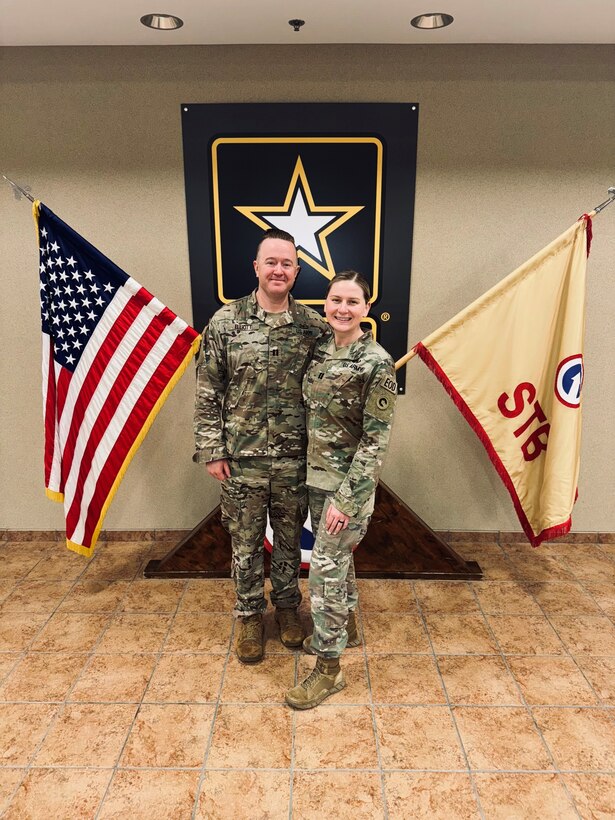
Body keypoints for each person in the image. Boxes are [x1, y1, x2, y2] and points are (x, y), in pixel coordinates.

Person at [193, 228, 328, 664]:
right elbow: (207, 390)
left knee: (290, 541)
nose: (278, 270)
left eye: (287, 263)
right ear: (256, 268)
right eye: (271, 262)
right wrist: (212, 448)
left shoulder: (313, 328)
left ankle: (288, 609)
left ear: (297, 270)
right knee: (246, 542)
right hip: (241, 461)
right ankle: (250, 613)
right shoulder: (225, 324)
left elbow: (330, 392)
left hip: (295, 461)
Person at [285, 271, 397, 709]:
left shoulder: (376, 362)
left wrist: (347, 501)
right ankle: (346, 627)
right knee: (339, 560)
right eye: (335, 300)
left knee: (325, 571)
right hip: (317, 480)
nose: (343, 308)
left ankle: (328, 670)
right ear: (326, 304)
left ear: (366, 309)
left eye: (352, 301)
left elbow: (375, 442)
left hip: (347, 490)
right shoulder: (321, 351)